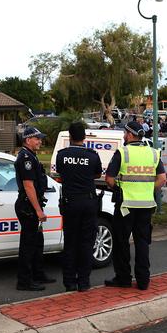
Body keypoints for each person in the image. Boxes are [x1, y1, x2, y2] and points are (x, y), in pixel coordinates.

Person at [104, 121, 167, 290]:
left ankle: (123, 279)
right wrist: (147, 189)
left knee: (121, 243)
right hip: (146, 206)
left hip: (125, 207)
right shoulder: (153, 153)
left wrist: (119, 188)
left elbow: (109, 179)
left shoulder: (123, 153)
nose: (124, 136)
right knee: (142, 243)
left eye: (125, 133)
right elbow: (162, 179)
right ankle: (143, 281)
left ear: (130, 135)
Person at [55, 122, 103, 292]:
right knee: (86, 242)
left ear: (70, 136)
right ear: (84, 137)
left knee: (70, 243)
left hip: (70, 203)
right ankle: (84, 282)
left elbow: (60, 172)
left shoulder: (62, 155)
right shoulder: (93, 155)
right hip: (89, 203)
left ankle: (69, 282)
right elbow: (97, 174)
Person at [14, 127, 57, 291]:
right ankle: (24, 281)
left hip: (32, 205)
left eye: (40, 138)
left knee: (38, 242)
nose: (40, 141)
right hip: (28, 207)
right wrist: (38, 210)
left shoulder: (31, 156)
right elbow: (28, 186)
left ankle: (38, 274)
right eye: (37, 138)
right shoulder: (26, 158)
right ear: (27, 140)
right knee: (28, 245)